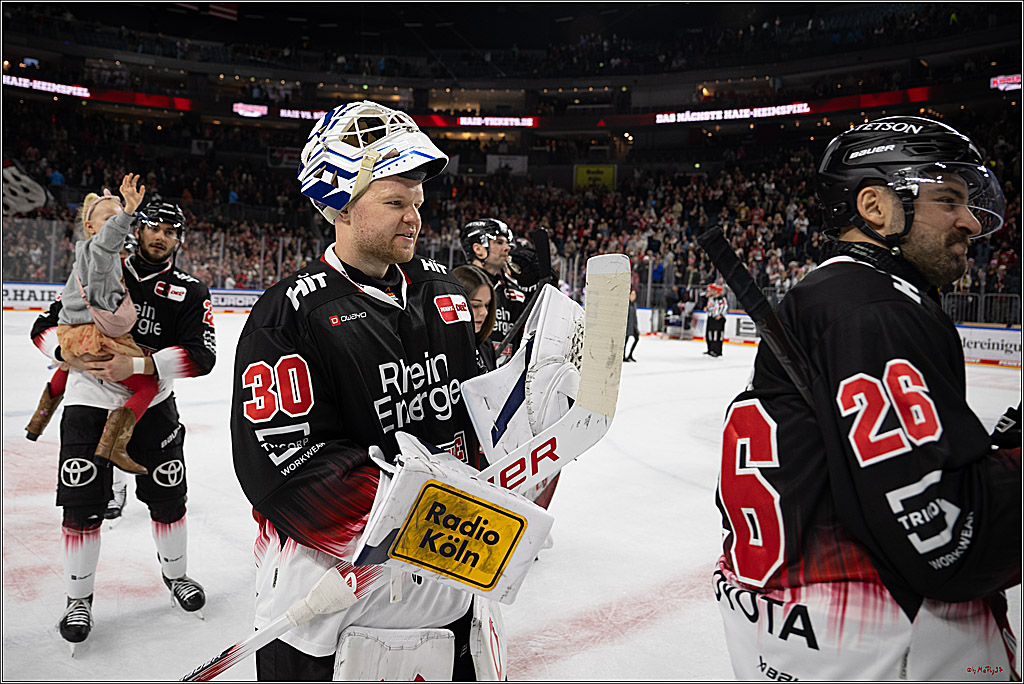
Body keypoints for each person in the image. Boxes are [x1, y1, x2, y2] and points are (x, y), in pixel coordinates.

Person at [713, 116, 1020, 680]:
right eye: (948, 199)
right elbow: (945, 540)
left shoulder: (836, 298)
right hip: (891, 652)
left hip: (804, 639)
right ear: (876, 207)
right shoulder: (872, 311)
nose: (972, 221)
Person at [231, 100, 487, 680]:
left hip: (447, 582)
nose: (414, 218)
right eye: (395, 202)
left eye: (417, 203)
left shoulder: (443, 293)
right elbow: (284, 469)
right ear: (340, 205)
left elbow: (470, 415)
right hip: (330, 596)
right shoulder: (287, 315)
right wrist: (438, 516)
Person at [31, 197, 216, 649]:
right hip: (88, 404)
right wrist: (67, 353)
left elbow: (203, 357)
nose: (161, 237)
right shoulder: (100, 266)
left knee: (169, 499)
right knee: (80, 505)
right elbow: (43, 327)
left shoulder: (191, 290)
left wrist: (137, 366)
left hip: (153, 407)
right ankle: (78, 600)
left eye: (170, 232)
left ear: (179, 239)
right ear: (138, 229)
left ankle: (177, 577)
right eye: (154, 228)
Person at [460, 217, 527, 366]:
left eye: (507, 242)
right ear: (478, 249)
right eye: (499, 242)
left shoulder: (517, 292)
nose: (507, 248)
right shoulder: (456, 286)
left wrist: (535, 288)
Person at [453, 264, 498, 373]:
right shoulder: (437, 347)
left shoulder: (486, 345)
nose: (484, 313)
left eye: (487, 305)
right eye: (475, 305)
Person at [704, 283, 727, 357]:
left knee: (717, 335)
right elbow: (709, 306)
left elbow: (724, 307)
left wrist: (720, 315)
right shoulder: (711, 298)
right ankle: (710, 349)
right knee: (709, 333)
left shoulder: (721, 299)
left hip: (719, 319)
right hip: (711, 317)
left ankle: (717, 350)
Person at [624, 289, 639, 362]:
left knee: (636, 338)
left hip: (633, 327)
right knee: (625, 341)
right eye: (632, 294)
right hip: (627, 327)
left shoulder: (634, 304)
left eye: (634, 295)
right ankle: (623, 356)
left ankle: (630, 354)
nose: (634, 296)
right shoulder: (627, 305)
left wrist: (636, 327)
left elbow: (635, 317)